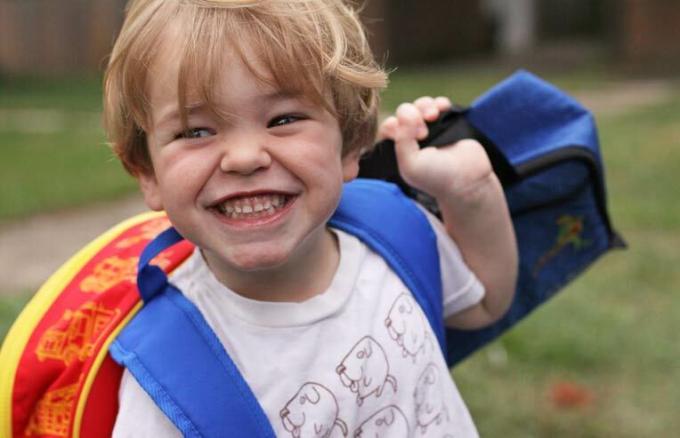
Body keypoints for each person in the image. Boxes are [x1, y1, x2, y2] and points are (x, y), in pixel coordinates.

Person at [103, 0, 518, 436]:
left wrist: (472, 191)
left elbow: (485, 303)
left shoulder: (390, 233)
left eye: (284, 119)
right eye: (196, 131)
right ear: (148, 173)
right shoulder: (173, 372)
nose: (244, 158)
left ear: (350, 143)